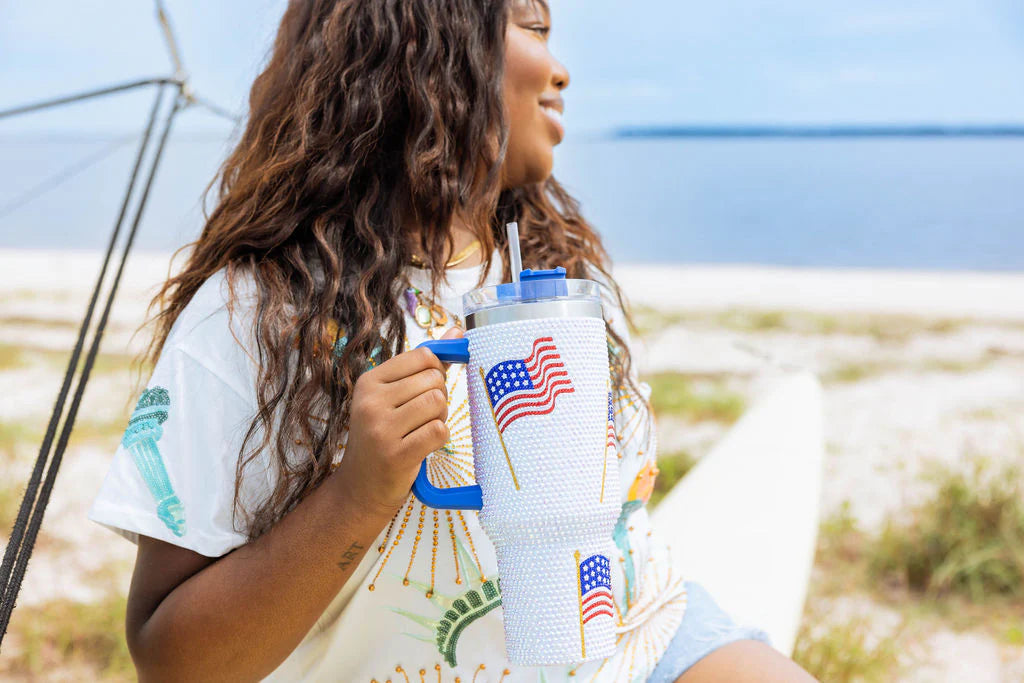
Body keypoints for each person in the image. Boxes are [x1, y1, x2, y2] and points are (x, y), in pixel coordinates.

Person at [89, 0, 818, 680]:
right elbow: (170, 655)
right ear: (426, 51)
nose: (561, 69)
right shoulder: (256, 313)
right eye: (534, 28)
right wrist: (356, 496)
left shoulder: (559, 265)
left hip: (642, 635)